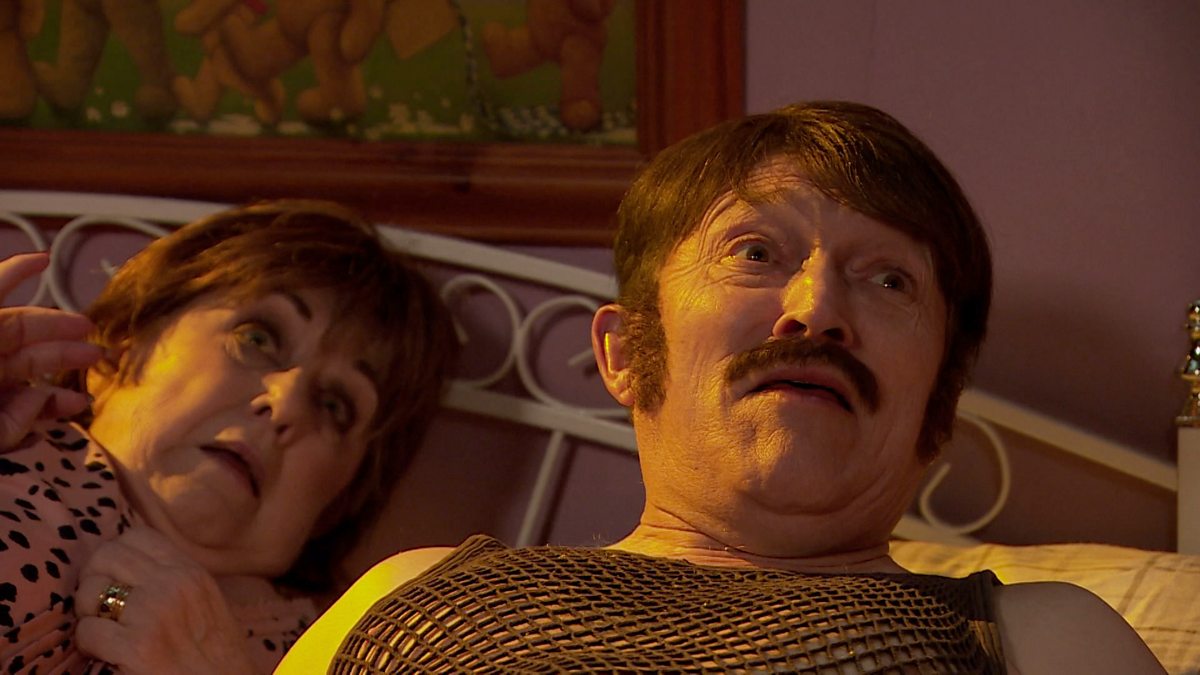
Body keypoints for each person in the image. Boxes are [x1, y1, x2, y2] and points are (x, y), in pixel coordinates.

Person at [277, 101, 1167, 674]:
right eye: (755, 253)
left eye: (889, 279)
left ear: (937, 413)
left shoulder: (1045, 641)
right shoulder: (410, 597)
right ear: (625, 352)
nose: (815, 309)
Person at [0, 200, 458, 673]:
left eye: (334, 405)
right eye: (257, 339)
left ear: (340, 502)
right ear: (121, 348)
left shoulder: (342, 653)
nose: (285, 403)